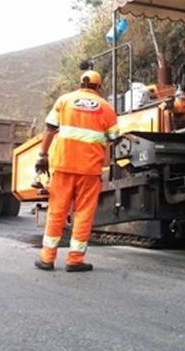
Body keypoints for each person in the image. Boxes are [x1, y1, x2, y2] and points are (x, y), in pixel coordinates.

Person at [34, 70, 118, 272]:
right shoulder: (107, 108)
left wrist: (42, 155)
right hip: (89, 170)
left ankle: (47, 258)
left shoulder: (64, 101)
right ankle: (75, 260)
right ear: (99, 87)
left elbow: (50, 129)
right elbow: (114, 137)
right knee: (83, 214)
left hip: (63, 166)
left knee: (57, 211)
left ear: (80, 84)